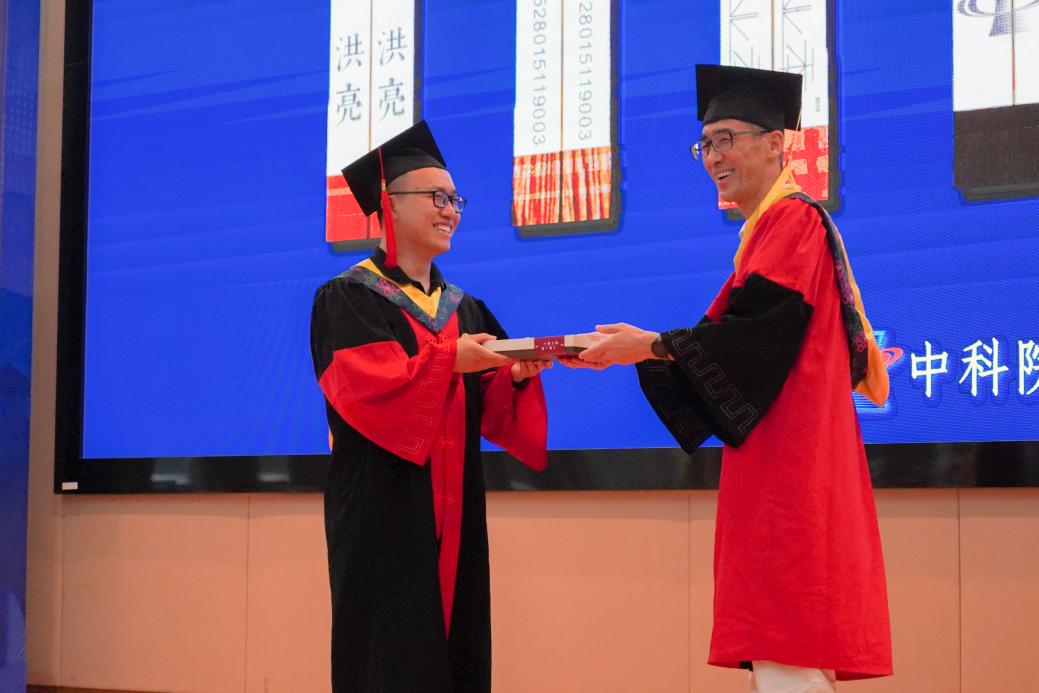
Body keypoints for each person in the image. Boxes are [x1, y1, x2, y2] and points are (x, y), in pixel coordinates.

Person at [574, 65, 893, 690]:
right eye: (706, 144)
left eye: (727, 139)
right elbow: (737, 338)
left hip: (790, 467)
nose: (714, 156)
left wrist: (648, 346)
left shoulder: (792, 222)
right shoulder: (769, 228)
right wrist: (641, 346)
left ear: (776, 142)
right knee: (784, 652)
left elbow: (751, 340)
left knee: (786, 646)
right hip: (782, 459)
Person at [310, 120, 551, 693]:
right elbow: (364, 390)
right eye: (436, 197)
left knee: (457, 647)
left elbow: (489, 410)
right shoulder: (348, 298)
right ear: (389, 204)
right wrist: (449, 361)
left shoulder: (465, 308)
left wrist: (514, 377)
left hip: (456, 507)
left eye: (455, 200)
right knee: (390, 652)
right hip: (383, 510)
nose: (450, 211)